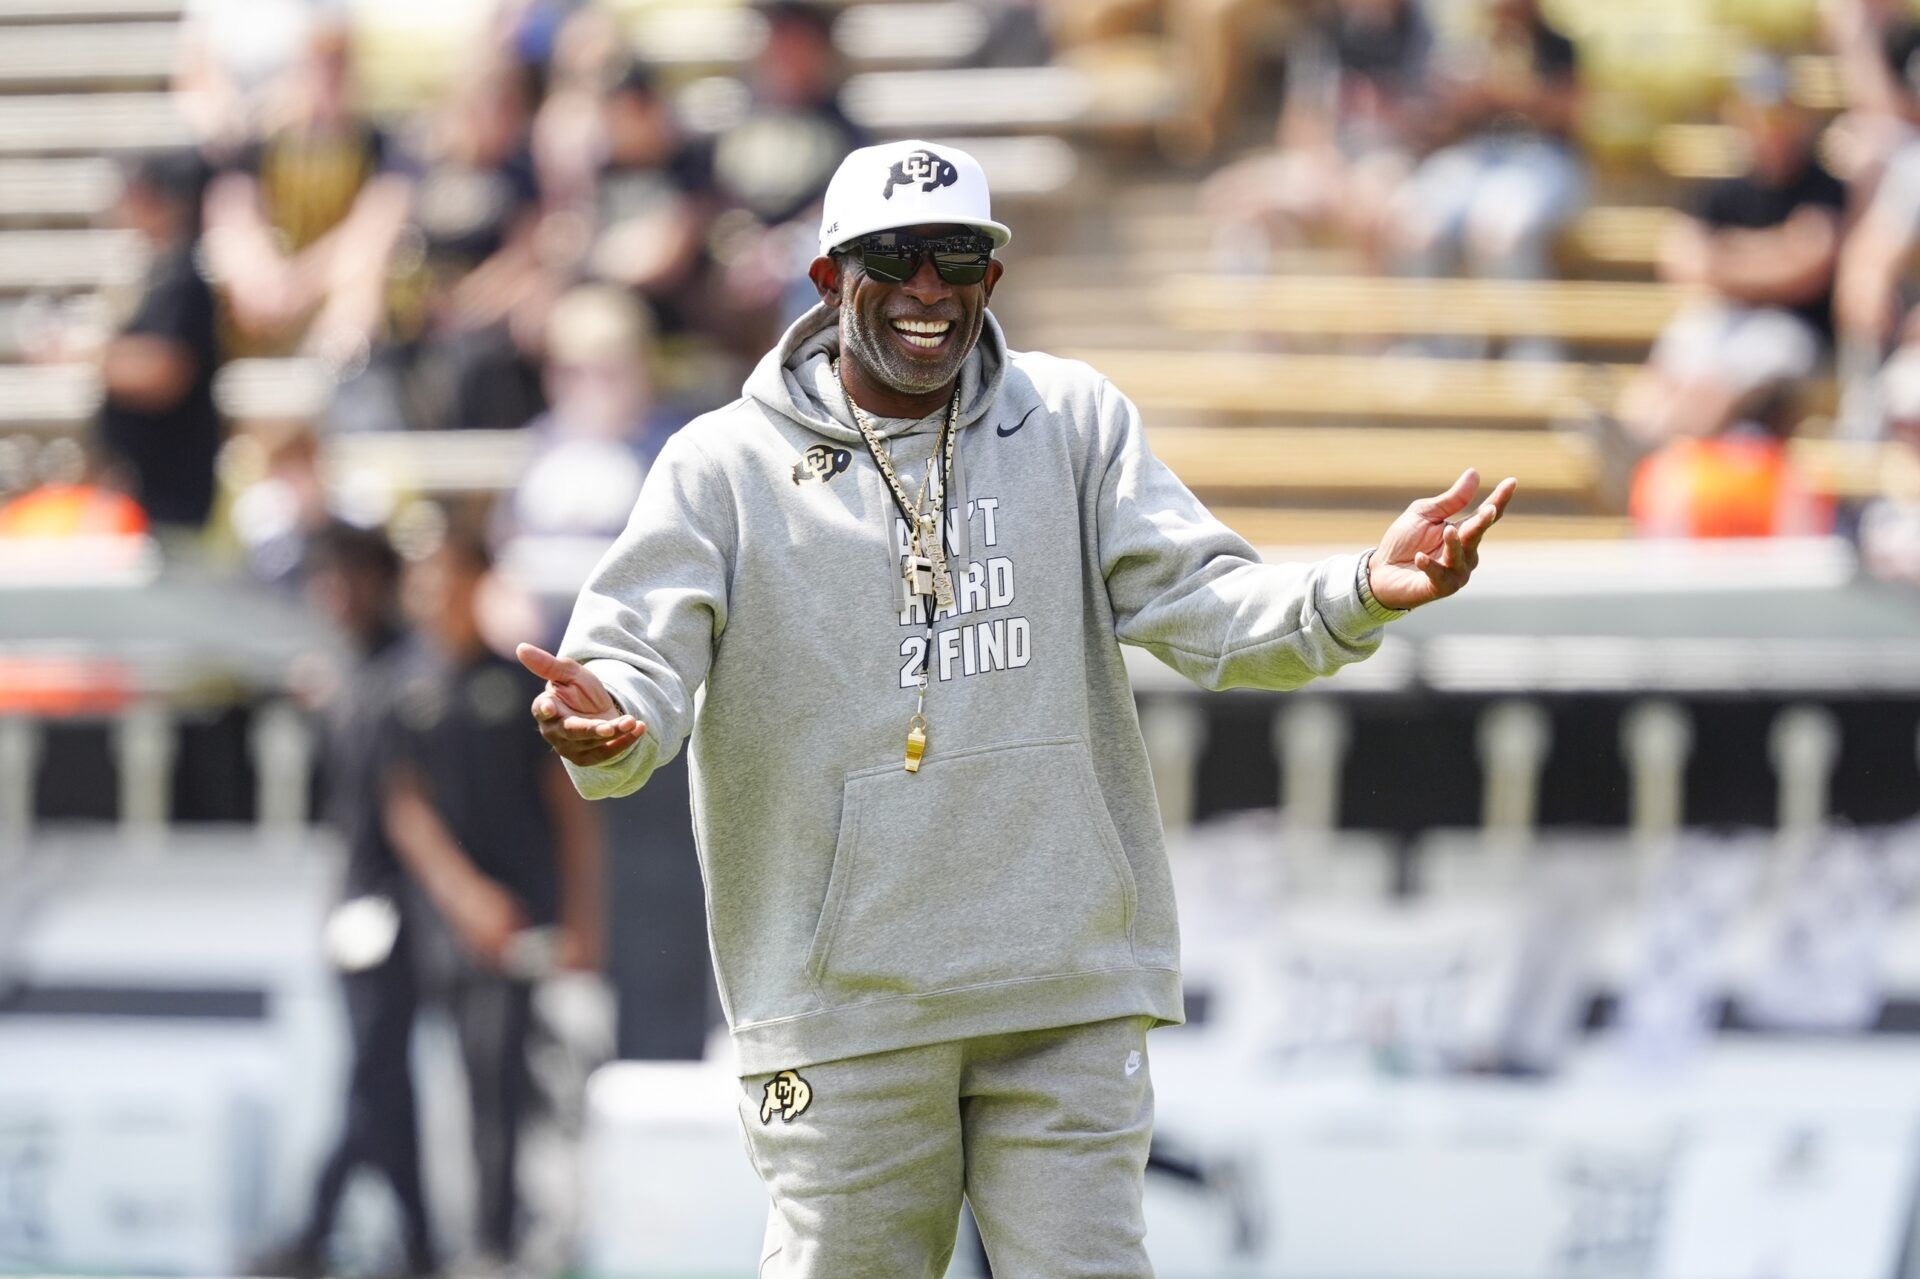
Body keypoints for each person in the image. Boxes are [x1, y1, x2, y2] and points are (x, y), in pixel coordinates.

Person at [517, 139, 1514, 1277]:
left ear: (994, 277)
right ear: (830, 278)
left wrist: (1358, 588)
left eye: (958, 258)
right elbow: (632, 662)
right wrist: (612, 724)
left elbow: (1205, 605)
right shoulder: (721, 467)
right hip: (843, 1011)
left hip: (1064, 986)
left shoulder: (1074, 420)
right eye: (894, 257)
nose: (929, 289)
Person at [382, 526, 603, 1266]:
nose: (426, 593)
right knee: (408, 1086)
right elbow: (404, 810)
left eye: (440, 575)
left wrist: (579, 915)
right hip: (439, 928)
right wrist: (465, 897)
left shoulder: (512, 689)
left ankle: (496, 1243)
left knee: (503, 1083)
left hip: (519, 928)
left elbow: (568, 805)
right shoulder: (403, 686)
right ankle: (436, 1240)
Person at [260, 520, 437, 1279]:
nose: (334, 592)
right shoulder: (355, 674)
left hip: (398, 911)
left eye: (348, 576)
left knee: (374, 1075)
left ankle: (318, 1228)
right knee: (382, 1078)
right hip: (361, 905)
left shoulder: (404, 675)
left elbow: (411, 812)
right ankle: (418, 1241)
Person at [1618, 61, 1846, 446]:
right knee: (1661, 378)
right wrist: (1769, 253)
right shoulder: (1723, 190)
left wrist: (1722, 257)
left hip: (1793, 328)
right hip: (1725, 318)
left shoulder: (1822, 187)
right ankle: (1636, 450)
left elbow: (1805, 267)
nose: (1768, 126)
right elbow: (1679, 259)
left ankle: (1658, 461)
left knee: (1713, 387)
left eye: (1777, 114)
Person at [1200, 0, 1433, 272]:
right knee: (1231, 198)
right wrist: (1325, 169)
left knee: (1370, 206)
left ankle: (1370, 309)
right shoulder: (1325, 31)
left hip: (1391, 164)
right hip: (1326, 164)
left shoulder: (1422, 31)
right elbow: (1299, 124)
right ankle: (1245, 310)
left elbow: (1429, 125)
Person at [1388, 0, 1585, 294]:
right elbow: (1442, 124)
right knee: (1415, 225)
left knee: (1498, 229)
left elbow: (1571, 114)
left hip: (1542, 158)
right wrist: (1465, 101)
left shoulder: (1557, 45)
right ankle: (1432, 338)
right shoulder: (1467, 49)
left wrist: (1512, 92)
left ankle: (1528, 339)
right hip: (1475, 157)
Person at [94, 149, 224, 537]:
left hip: (172, 487)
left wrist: (91, 358)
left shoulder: (184, 279)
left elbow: (164, 372)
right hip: (143, 483)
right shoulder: (154, 272)